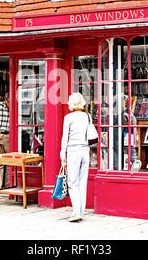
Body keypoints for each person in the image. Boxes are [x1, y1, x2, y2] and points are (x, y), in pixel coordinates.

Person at [60, 92, 92, 222]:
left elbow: (64, 137)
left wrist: (63, 154)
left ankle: (76, 212)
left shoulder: (68, 117)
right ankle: (81, 211)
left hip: (73, 149)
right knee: (82, 182)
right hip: (85, 150)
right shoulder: (87, 116)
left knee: (72, 182)